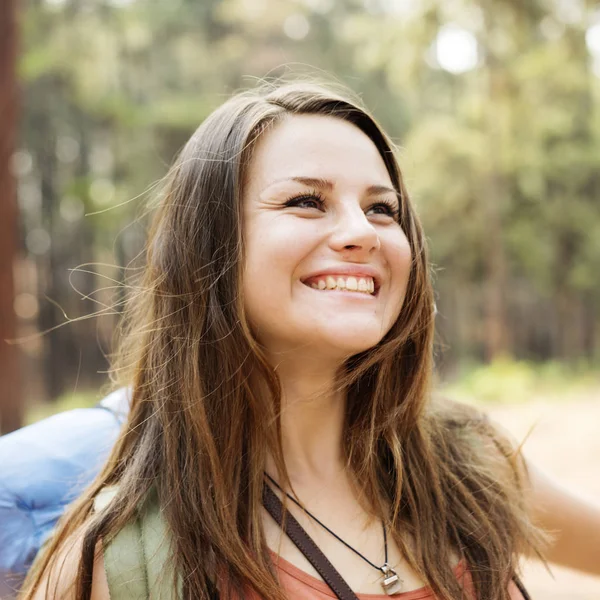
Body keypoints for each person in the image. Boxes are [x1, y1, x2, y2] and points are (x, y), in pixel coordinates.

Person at [20, 80, 600, 600]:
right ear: (208, 249)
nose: (360, 233)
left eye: (382, 209)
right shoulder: (112, 565)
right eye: (305, 201)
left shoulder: (470, 465)